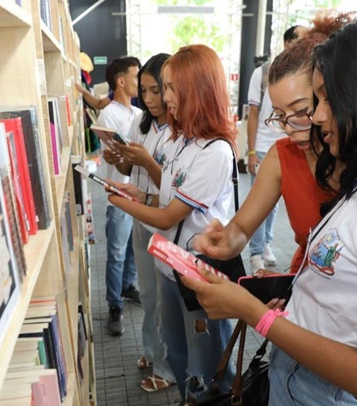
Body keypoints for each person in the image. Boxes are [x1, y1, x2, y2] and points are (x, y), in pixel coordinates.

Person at [184, 14, 357, 405]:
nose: (315, 117)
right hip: (305, 368)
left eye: (323, 99)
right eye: (282, 115)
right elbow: (344, 275)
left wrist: (253, 312)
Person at [107, 44, 237, 404]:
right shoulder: (181, 142)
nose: (163, 98)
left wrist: (126, 205)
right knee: (179, 354)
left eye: (169, 88)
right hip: (170, 267)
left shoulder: (215, 152)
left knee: (207, 363)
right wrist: (137, 194)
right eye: (161, 88)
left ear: (197, 90)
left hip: (196, 274)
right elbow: (163, 201)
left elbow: (168, 217)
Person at [102, 53, 176, 392]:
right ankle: (151, 350)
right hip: (140, 218)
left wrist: (146, 163)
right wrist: (117, 158)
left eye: (155, 90)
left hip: (166, 223)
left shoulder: (182, 130)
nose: (148, 99)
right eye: (143, 91)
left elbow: (174, 190)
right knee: (147, 295)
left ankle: (167, 366)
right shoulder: (140, 124)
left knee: (165, 299)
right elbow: (127, 171)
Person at [245, 25, 308, 272]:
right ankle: (256, 251)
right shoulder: (262, 74)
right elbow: (252, 113)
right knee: (261, 202)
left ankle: (266, 243)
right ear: (287, 43)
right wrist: (250, 151)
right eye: (302, 41)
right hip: (263, 147)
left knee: (278, 204)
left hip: (290, 146)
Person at [97, 56, 142, 336]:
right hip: (119, 192)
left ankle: (128, 285)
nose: (140, 82)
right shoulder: (108, 116)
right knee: (116, 251)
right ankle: (114, 305)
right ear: (121, 81)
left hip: (138, 191)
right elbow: (117, 155)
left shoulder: (138, 115)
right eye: (136, 76)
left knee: (133, 248)